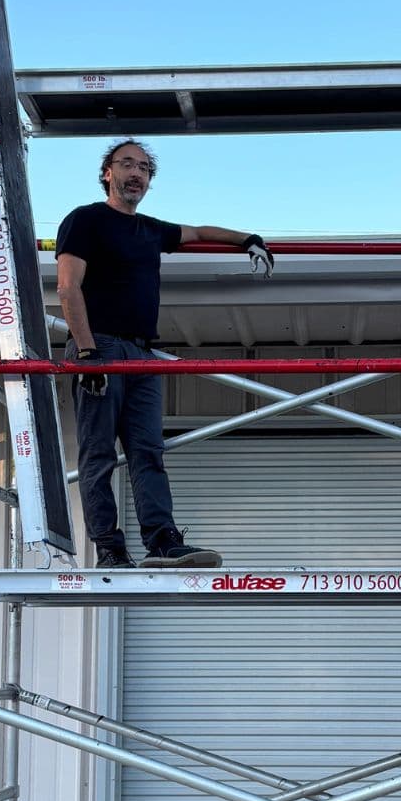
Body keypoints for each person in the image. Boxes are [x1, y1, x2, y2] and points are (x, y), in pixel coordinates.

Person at [55, 137, 273, 568]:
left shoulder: (151, 229)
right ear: (107, 173)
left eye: (144, 169)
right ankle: (110, 550)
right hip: (99, 347)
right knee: (98, 454)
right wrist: (87, 352)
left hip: (142, 354)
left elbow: (197, 232)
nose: (136, 173)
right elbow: (67, 286)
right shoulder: (86, 220)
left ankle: (163, 541)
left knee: (148, 452)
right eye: (127, 164)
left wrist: (248, 238)